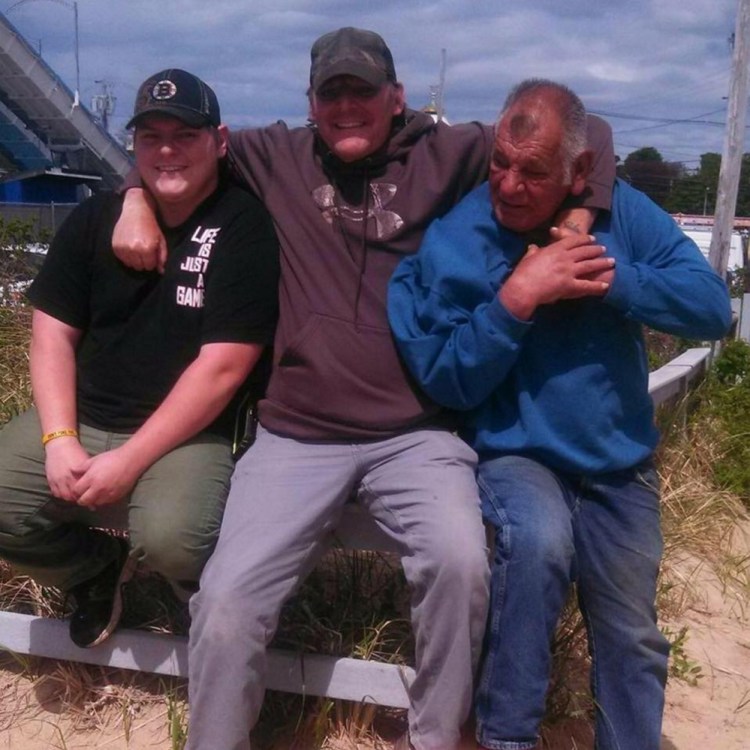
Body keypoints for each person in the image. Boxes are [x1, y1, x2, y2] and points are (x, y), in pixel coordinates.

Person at [112, 30, 615, 750]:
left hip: (417, 433)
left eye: (363, 91)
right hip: (295, 433)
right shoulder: (275, 155)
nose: (347, 105)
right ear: (311, 103)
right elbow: (175, 152)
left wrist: (578, 212)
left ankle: (433, 738)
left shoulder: (453, 153)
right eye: (331, 93)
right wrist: (133, 196)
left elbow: (587, 128)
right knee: (224, 601)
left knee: (461, 565)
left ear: (396, 98)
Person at [388, 79, 733, 750]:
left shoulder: (619, 215)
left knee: (632, 631)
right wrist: (516, 302)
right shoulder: (456, 241)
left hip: (618, 465)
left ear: (578, 174)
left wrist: (608, 277)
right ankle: (505, 738)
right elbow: (450, 380)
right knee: (538, 547)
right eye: (500, 162)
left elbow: (712, 309)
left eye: (533, 171)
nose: (509, 184)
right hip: (517, 455)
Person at [0, 68, 279, 650]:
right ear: (134, 145)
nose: (167, 150)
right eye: (151, 137)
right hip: (87, 415)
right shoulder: (94, 218)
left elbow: (223, 368)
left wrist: (127, 463)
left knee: (174, 538)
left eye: (186, 135)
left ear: (220, 142)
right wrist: (58, 439)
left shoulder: (245, 227)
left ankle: (196, 589)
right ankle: (93, 569)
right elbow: (50, 335)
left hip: (187, 434)